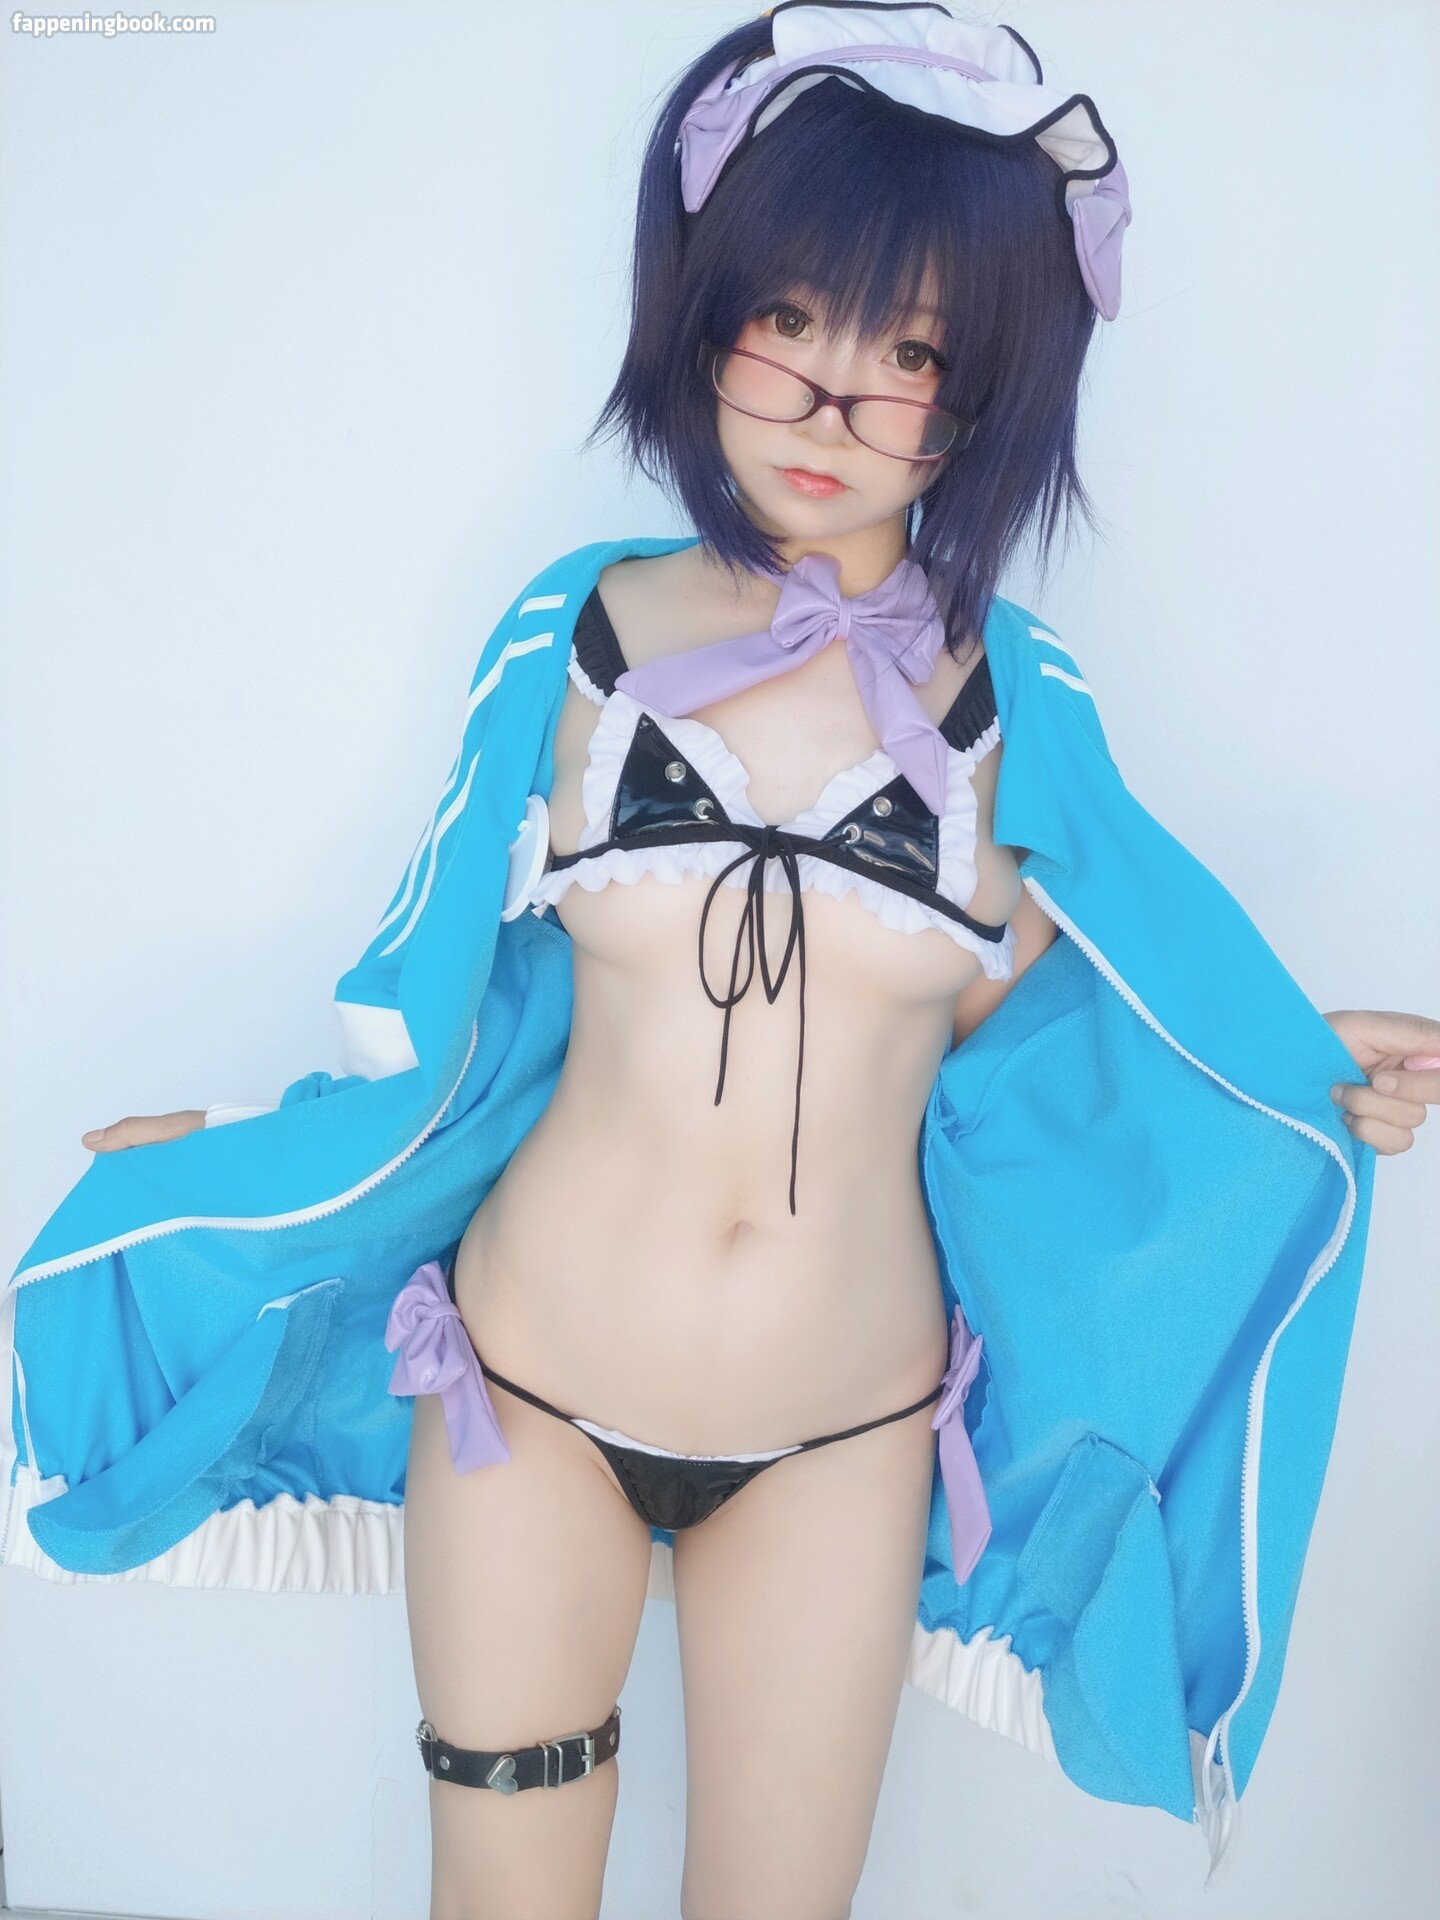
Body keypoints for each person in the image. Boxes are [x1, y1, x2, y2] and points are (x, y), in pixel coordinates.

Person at [9, 9, 1438, 1920]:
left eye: (912, 352)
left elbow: (1062, 1036)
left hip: (842, 1430)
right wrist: (248, 1153)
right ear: (701, 317)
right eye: (789, 321)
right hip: (523, 1389)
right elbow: (444, 999)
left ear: (989, 390)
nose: (834, 405)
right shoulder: (580, 633)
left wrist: (1281, 1061)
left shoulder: (1019, 706)